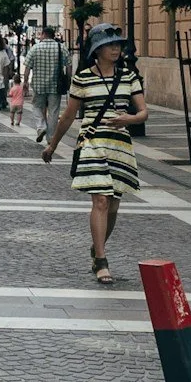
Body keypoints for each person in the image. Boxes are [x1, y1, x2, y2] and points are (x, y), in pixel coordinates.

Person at [40, 24, 146, 286]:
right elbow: (68, 116)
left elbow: (144, 112)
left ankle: (97, 246)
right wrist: (53, 145)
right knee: (100, 201)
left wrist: (129, 119)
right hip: (92, 142)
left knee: (113, 206)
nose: (116, 49)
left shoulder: (129, 76)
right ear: (97, 50)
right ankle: (101, 259)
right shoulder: (83, 78)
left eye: (118, 45)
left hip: (119, 145)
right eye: (111, 45)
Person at [20, 28, 70, 142]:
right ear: (53, 36)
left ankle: (41, 126)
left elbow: (27, 67)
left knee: (37, 106)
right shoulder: (61, 47)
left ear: (43, 34)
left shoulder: (35, 48)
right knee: (53, 111)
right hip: (55, 85)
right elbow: (69, 65)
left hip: (39, 84)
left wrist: (26, 82)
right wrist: (68, 79)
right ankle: (51, 137)